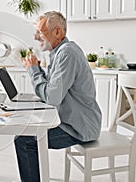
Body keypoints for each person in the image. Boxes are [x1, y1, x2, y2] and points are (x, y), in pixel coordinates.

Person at [15, 11, 102, 182]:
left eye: (40, 32)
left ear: (57, 32)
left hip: (79, 128)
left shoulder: (67, 54)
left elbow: (52, 98)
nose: (36, 37)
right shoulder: (59, 53)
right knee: (27, 131)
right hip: (71, 121)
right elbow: (51, 90)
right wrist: (37, 69)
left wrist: (33, 70)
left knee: (24, 140)